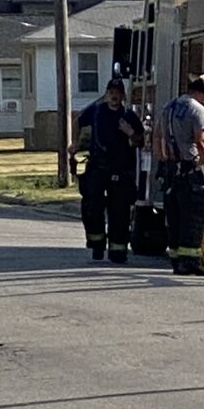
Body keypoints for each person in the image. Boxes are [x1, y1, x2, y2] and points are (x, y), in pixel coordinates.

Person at [70, 73, 144, 265]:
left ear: (123, 96)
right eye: (111, 92)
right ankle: (97, 244)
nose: (114, 96)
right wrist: (75, 143)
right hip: (97, 167)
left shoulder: (129, 116)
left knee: (119, 211)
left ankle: (118, 251)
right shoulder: (96, 112)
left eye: (118, 93)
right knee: (92, 208)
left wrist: (129, 133)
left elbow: (140, 141)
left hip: (120, 169)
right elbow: (77, 120)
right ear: (106, 94)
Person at [156, 72, 204, 275]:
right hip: (190, 171)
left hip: (171, 170)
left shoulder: (169, 107)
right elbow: (201, 142)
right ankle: (191, 262)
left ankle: (177, 260)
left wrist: (162, 161)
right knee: (193, 217)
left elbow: (157, 136)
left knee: (174, 217)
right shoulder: (198, 110)